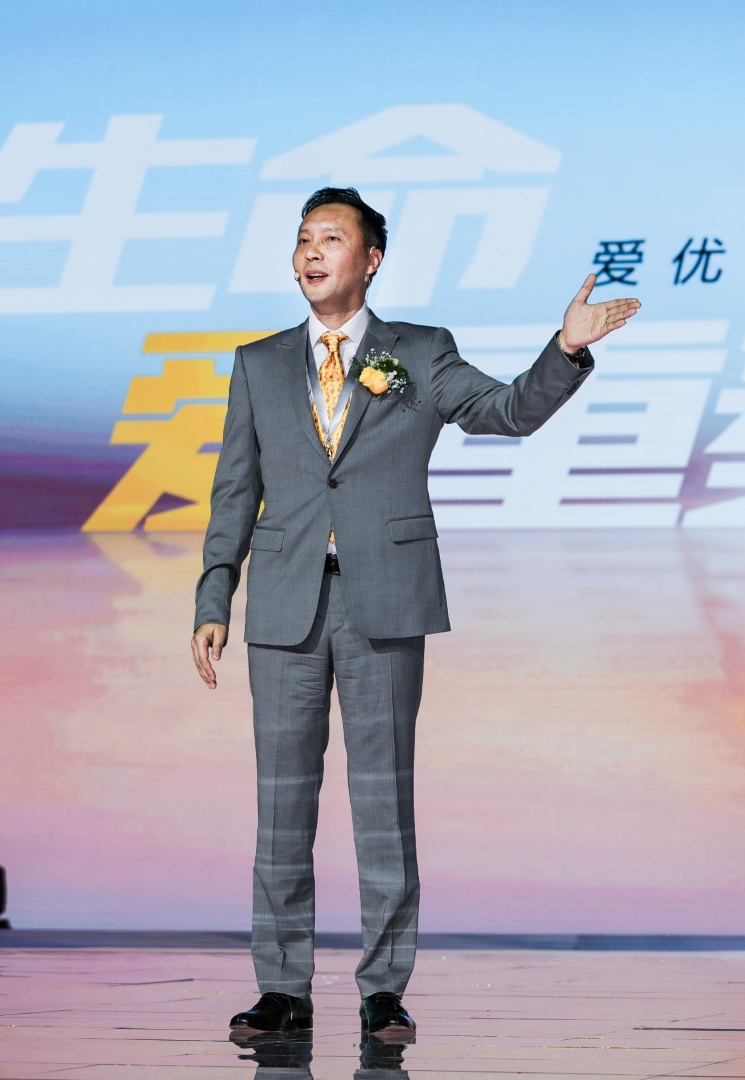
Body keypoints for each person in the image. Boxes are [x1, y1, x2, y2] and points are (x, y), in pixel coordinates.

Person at [189, 187, 639, 1038]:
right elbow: (234, 490)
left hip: (385, 601)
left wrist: (565, 351)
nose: (310, 252)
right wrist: (215, 593)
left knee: (383, 804)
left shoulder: (419, 353)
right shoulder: (258, 363)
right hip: (283, 605)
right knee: (281, 805)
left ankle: (383, 990)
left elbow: (506, 411)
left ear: (371, 259)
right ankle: (282, 987)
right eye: (302, 238)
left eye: (330, 238)